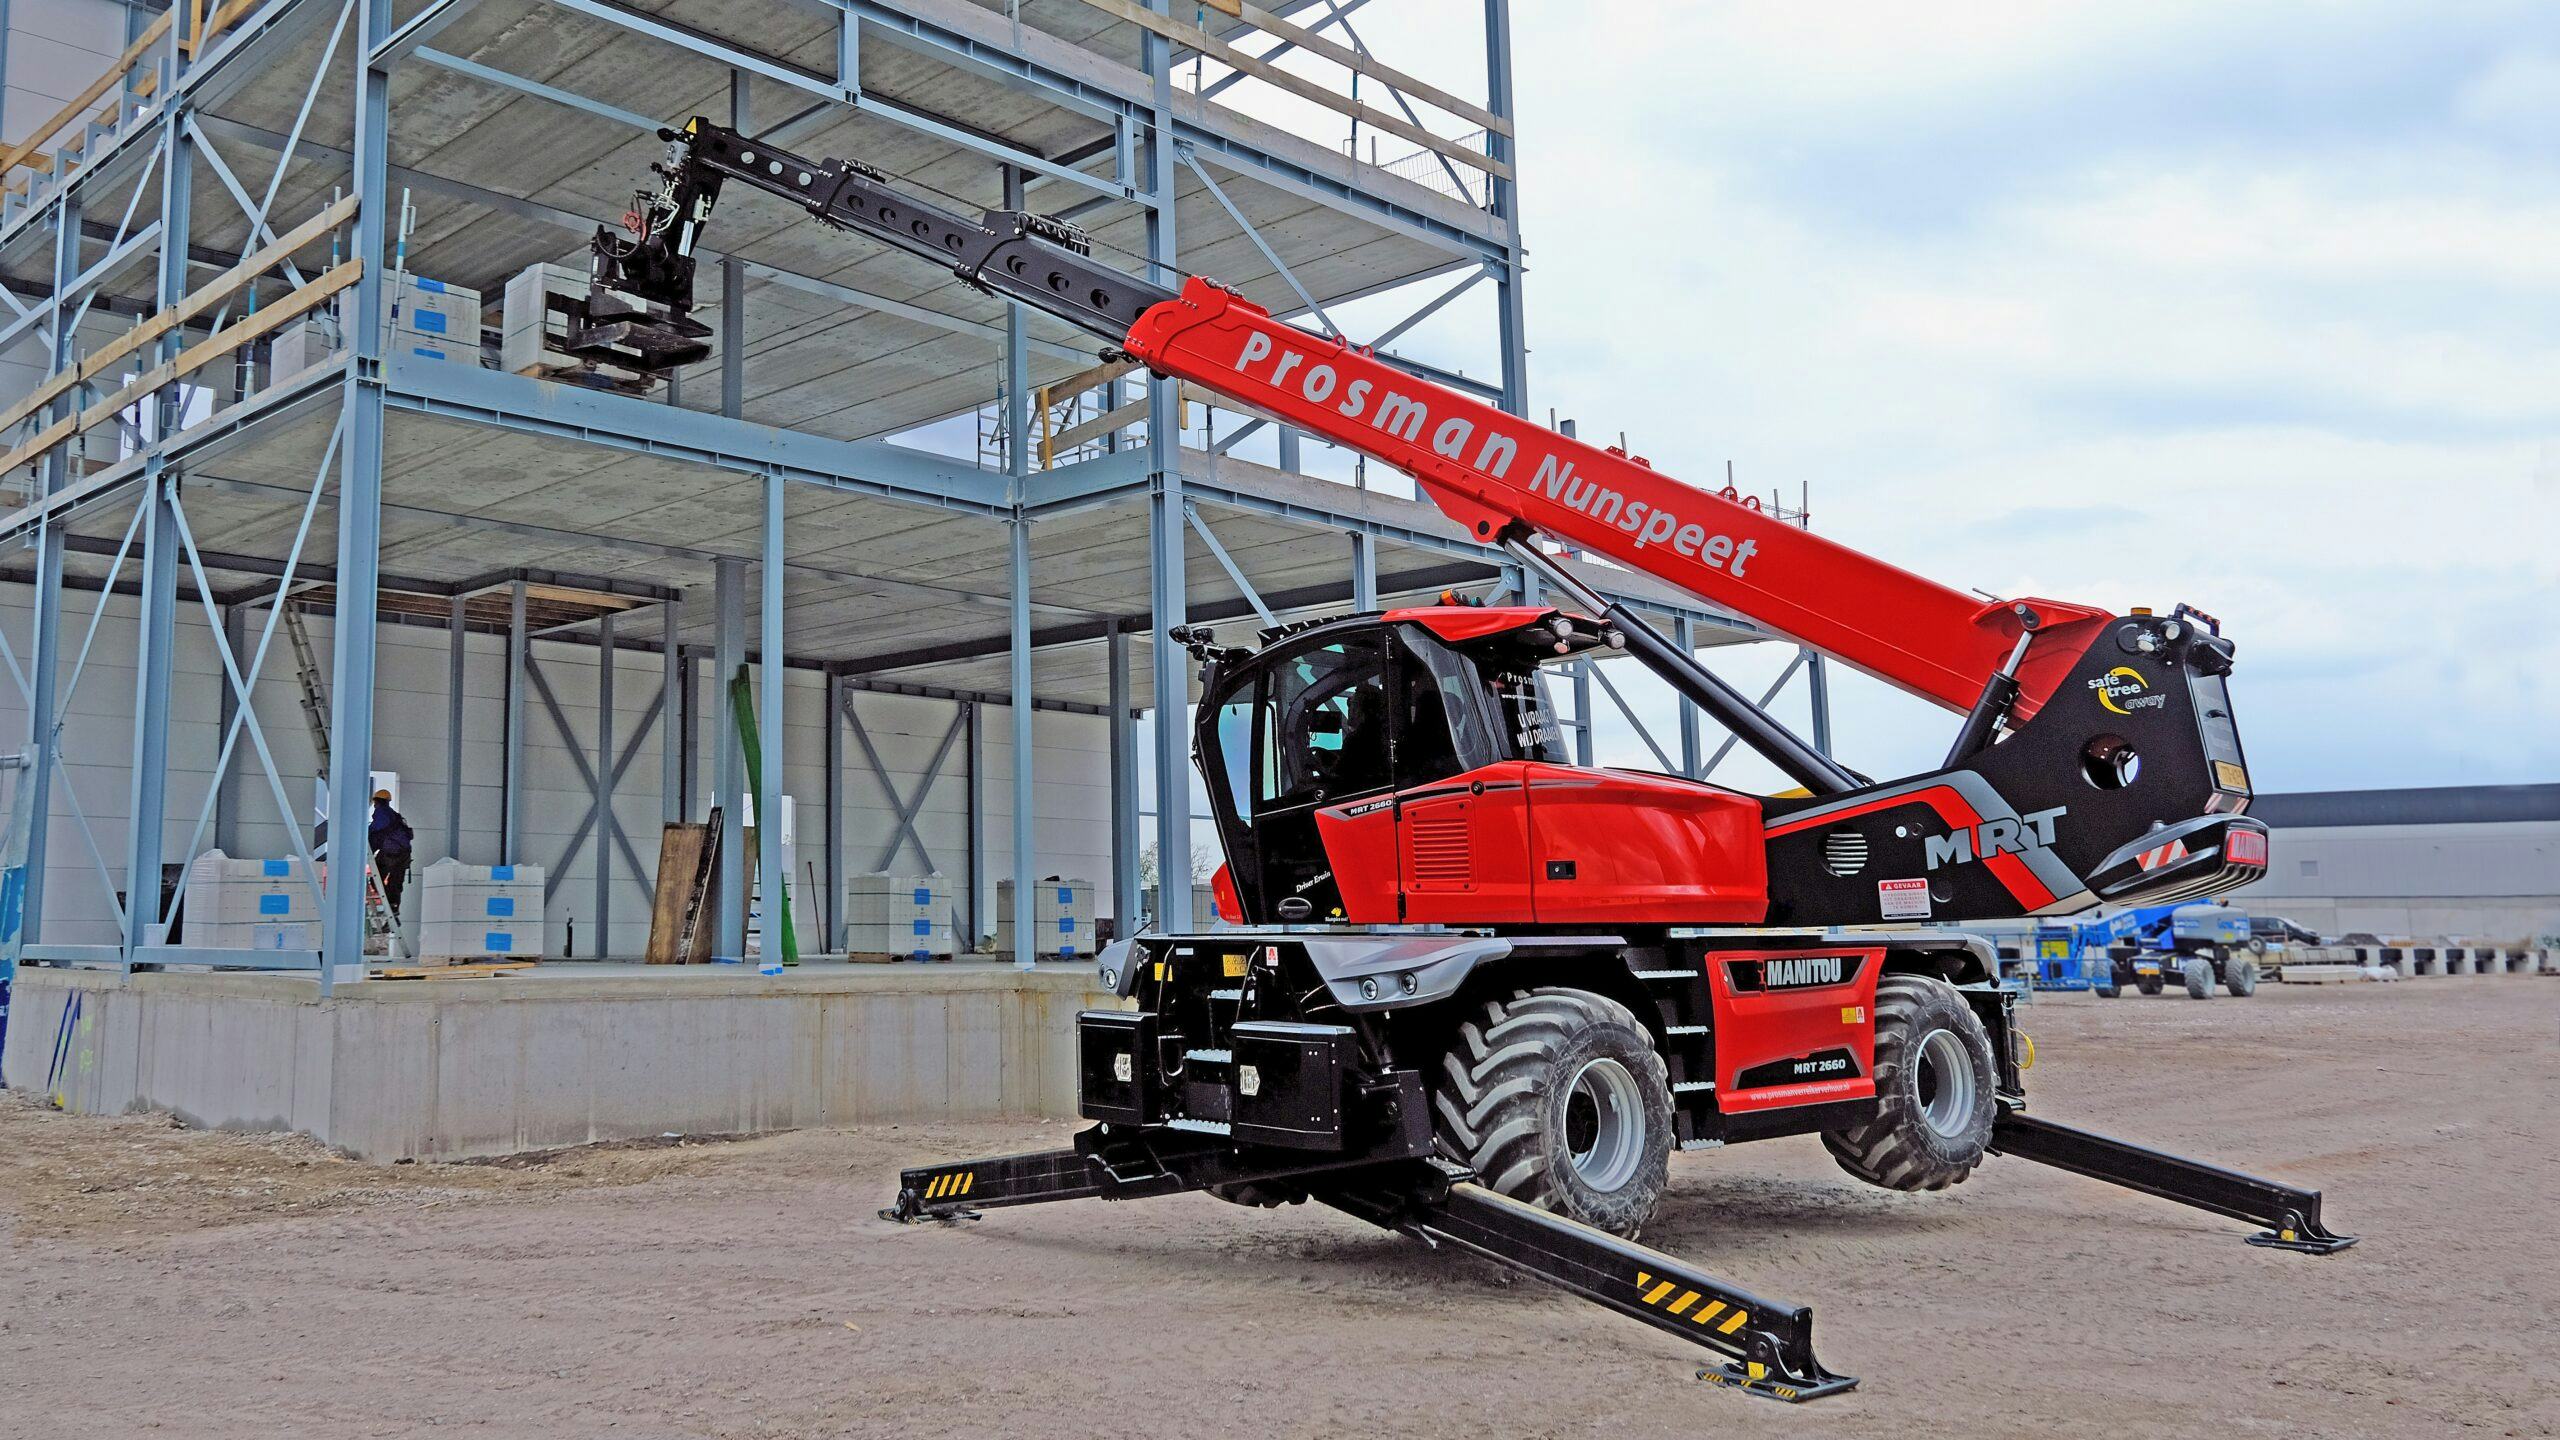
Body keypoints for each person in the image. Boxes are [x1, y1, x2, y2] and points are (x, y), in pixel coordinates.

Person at [368, 789, 415, 920]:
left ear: (376, 802)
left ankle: (388, 901)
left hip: (392, 853)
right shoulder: (395, 816)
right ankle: (393, 907)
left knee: (376, 878)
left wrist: (366, 847)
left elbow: (375, 833)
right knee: (396, 882)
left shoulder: (382, 813)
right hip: (404, 855)